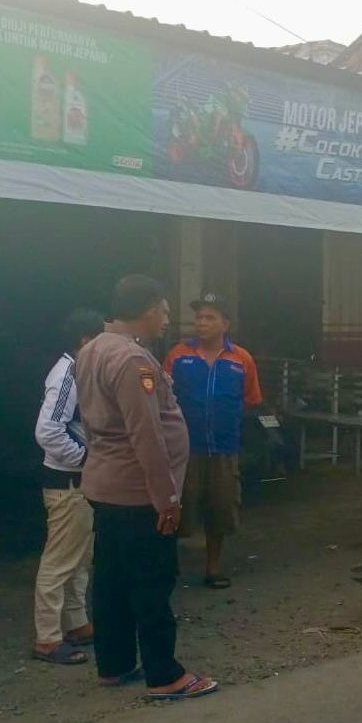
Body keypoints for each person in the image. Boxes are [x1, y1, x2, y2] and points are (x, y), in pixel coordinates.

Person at [75, 275, 218, 700]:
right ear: (149, 309)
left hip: (107, 485)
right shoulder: (131, 359)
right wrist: (167, 499)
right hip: (139, 493)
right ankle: (164, 674)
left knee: (112, 579)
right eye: (166, 309)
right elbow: (147, 434)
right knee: (153, 581)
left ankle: (114, 664)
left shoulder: (93, 348)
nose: (169, 318)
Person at [163, 294, 262, 590]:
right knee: (179, 506)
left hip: (224, 447)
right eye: (199, 318)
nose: (201, 323)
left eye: (209, 318)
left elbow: (251, 399)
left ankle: (213, 567)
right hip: (185, 450)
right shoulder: (178, 355)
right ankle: (170, 567)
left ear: (225, 324)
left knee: (220, 508)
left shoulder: (241, 359)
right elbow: (161, 397)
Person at [30, 309, 105, 666]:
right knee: (60, 561)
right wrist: (85, 459)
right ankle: (47, 637)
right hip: (68, 482)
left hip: (76, 481)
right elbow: (47, 431)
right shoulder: (68, 375)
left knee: (79, 558)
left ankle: (77, 623)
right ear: (85, 341)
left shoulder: (78, 370)